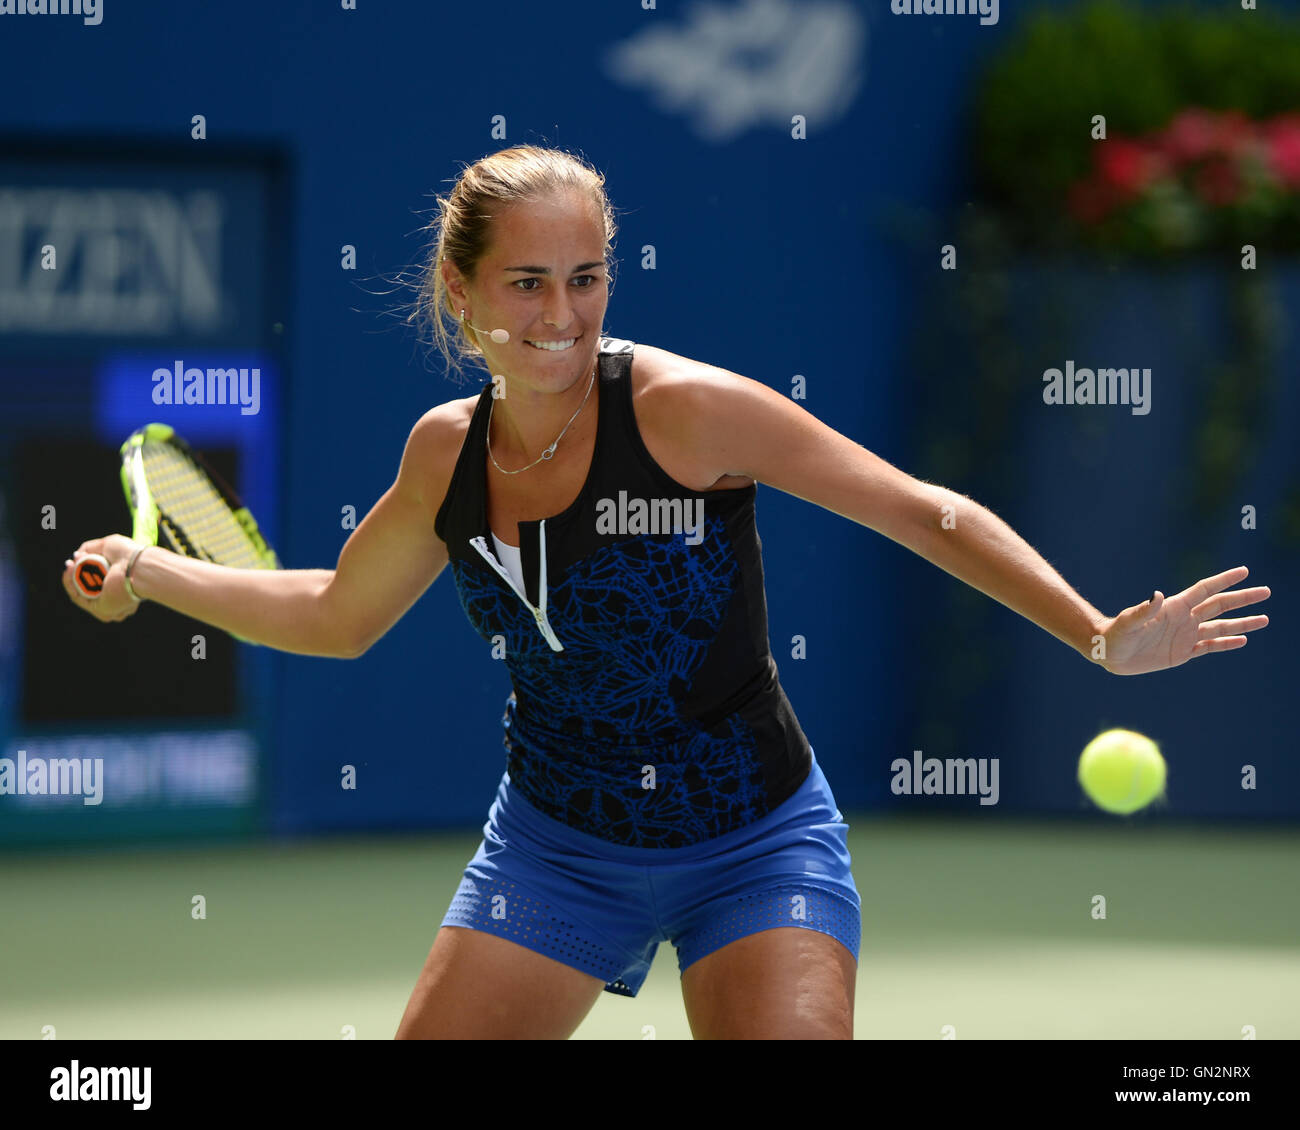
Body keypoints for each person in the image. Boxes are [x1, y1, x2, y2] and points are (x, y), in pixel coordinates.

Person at [63, 145, 1271, 1040]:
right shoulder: (444, 450)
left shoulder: (689, 413)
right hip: (551, 846)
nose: (562, 316)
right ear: (463, 291)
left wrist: (1099, 635)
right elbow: (337, 614)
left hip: (755, 840)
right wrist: (155, 570)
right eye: (527, 283)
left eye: (585, 278)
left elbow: (923, 509)